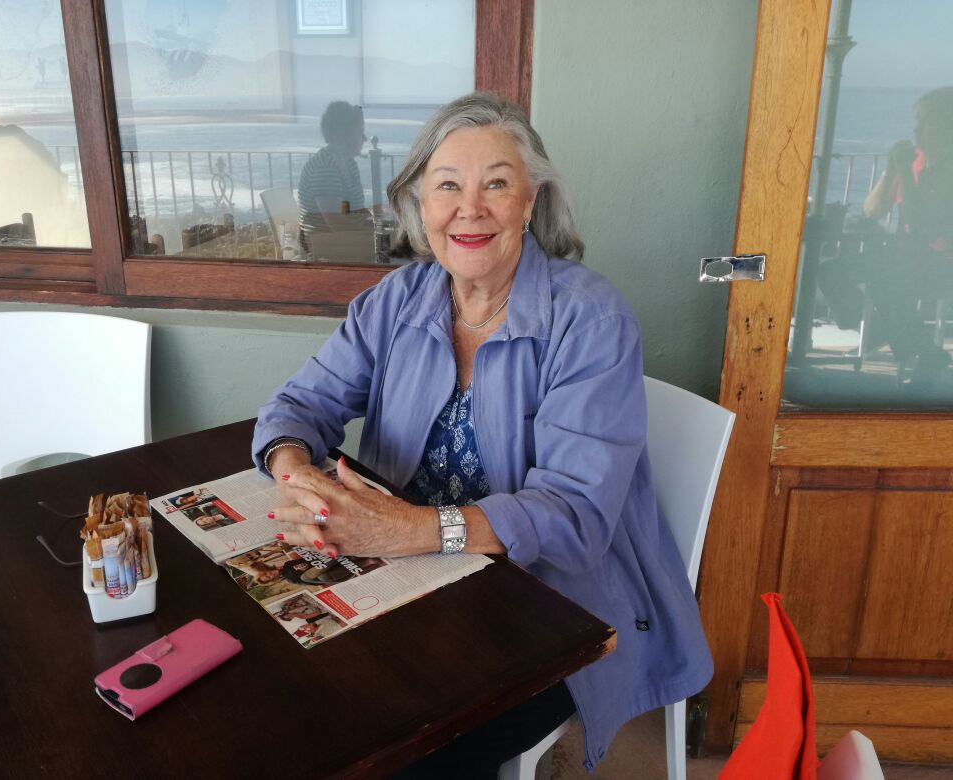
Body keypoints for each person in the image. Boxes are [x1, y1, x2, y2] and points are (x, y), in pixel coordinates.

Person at [252, 92, 712, 777]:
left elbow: (576, 515)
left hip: (551, 603)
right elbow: (299, 403)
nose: (470, 209)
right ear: (421, 206)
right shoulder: (396, 301)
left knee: (411, 752)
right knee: (288, 694)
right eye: (447, 186)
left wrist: (404, 529)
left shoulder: (591, 319)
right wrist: (301, 482)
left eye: (496, 183)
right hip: (412, 580)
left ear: (530, 202)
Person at [817, 86, 953, 384]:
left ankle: (922, 351)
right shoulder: (913, 160)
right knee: (831, 272)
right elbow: (872, 209)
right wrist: (892, 170)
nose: (916, 130)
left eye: (925, 122)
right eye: (916, 122)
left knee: (887, 280)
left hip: (944, 263)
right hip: (908, 258)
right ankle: (891, 335)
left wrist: (903, 169)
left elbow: (920, 222)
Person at [297, 101, 370, 256]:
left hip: (344, 240)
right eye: (360, 132)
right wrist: (371, 233)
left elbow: (344, 210)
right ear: (345, 135)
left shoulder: (348, 163)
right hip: (326, 246)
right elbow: (335, 221)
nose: (364, 138)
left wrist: (372, 220)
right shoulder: (325, 166)